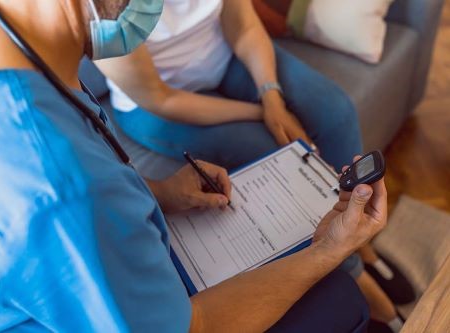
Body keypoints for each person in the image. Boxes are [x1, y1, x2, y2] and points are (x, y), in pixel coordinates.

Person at [0, 0, 385, 331]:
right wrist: (327, 251)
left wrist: (159, 193)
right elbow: (191, 326)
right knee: (340, 302)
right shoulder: (59, 186)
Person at [96, 0, 406, 331]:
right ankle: (356, 271)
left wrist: (270, 93)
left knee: (336, 112)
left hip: (225, 57)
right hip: (158, 105)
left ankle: (363, 244)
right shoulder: (107, 12)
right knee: (273, 150)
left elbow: (242, 23)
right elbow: (161, 98)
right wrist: (261, 112)